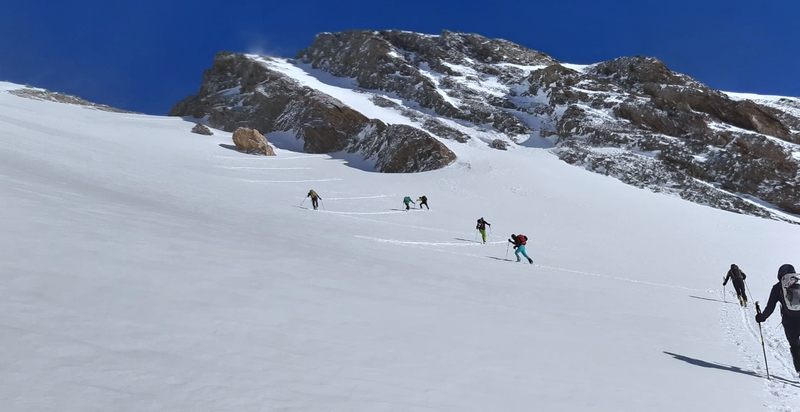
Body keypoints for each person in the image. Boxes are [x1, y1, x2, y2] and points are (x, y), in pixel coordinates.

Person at [755, 264, 800, 377]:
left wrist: (761, 317)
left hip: (789, 322)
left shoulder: (777, 287)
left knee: (795, 347)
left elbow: (770, 307)